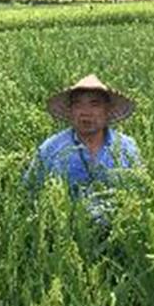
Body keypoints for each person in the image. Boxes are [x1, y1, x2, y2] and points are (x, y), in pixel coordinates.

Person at [25, 74, 142, 222]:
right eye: (78, 105)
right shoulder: (51, 148)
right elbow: (30, 191)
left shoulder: (126, 147)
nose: (86, 112)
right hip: (64, 230)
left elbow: (139, 192)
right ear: (70, 111)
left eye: (94, 104)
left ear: (107, 110)